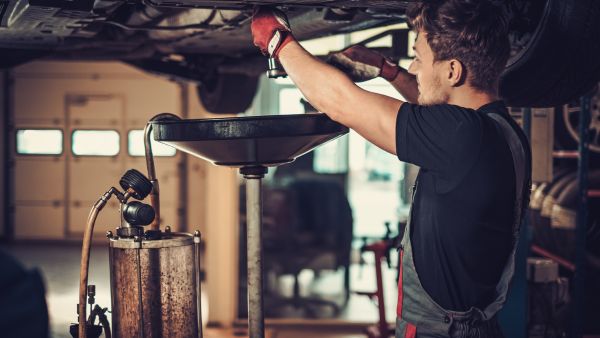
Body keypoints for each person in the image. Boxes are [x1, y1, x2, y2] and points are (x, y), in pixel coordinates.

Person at [251, 0, 532, 337]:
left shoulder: (461, 136)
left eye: (419, 58)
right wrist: (389, 71)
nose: (413, 67)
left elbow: (341, 101)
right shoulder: (500, 130)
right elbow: (431, 106)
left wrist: (277, 42)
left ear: (453, 71)